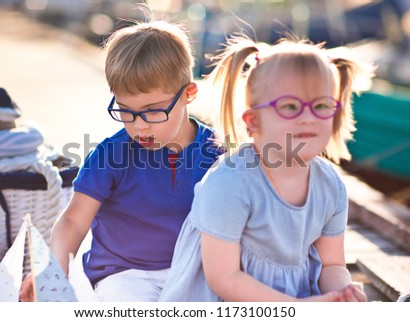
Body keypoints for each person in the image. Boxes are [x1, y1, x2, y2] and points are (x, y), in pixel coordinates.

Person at [20, 19, 223, 302]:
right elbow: (74, 220)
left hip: (194, 271)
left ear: (188, 94)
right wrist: (53, 266)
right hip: (125, 275)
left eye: (152, 111)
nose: (139, 126)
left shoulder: (219, 152)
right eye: (126, 111)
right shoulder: (111, 155)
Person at [159, 35, 375, 302]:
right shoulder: (231, 183)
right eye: (290, 107)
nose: (308, 117)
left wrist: (342, 292)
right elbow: (223, 278)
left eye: (321, 106)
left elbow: (332, 264)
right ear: (253, 121)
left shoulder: (330, 184)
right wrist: (296, 309)